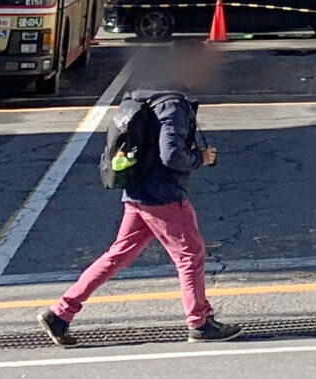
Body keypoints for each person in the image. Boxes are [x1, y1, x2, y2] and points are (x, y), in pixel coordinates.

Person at [39, 45, 240, 345]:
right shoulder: (174, 104)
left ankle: (61, 313)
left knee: (116, 256)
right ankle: (199, 322)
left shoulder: (148, 94)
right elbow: (171, 155)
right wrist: (201, 158)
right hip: (163, 195)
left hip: (137, 192)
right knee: (190, 255)